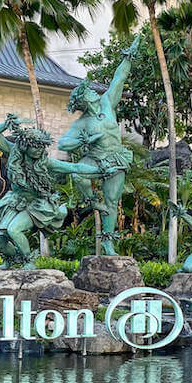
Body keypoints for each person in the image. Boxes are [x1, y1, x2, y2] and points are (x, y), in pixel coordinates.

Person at [0, 114, 112, 268]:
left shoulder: (46, 163)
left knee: (14, 230)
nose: (39, 150)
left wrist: (101, 171)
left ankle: (29, 262)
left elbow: (74, 167)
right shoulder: (13, 152)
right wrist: (7, 124)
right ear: (25, 146)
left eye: (42, 147)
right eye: (35, 146)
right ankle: (12, 260)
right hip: (15, 202)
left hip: (35, 204)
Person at [58, 40, 134, 255]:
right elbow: (63, 143)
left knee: (112, 201)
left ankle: (108, 242)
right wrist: (84, 142)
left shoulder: (107, 104)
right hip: (94, 159)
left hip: (116, 158)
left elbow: (118, 79)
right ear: (84, 99)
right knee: (78, 175)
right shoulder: (81, 123)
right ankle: (91, 200)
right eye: (88, 91)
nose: (92, 91)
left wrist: (127, 59)